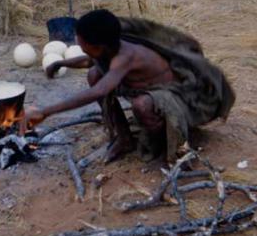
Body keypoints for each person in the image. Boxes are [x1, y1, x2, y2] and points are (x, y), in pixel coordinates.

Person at [19, 9, 235, 163]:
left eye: (84, 45)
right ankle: (124, 139)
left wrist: (46, 112)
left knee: (141, 105)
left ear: (100, 46)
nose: (81, 48)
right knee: (95, 74)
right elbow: (90, 61)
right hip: (142, 88)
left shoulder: (126, 56)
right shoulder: (109, 47)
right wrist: (62, 63)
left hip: (175, 96)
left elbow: (100, 90)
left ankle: (162, 145)